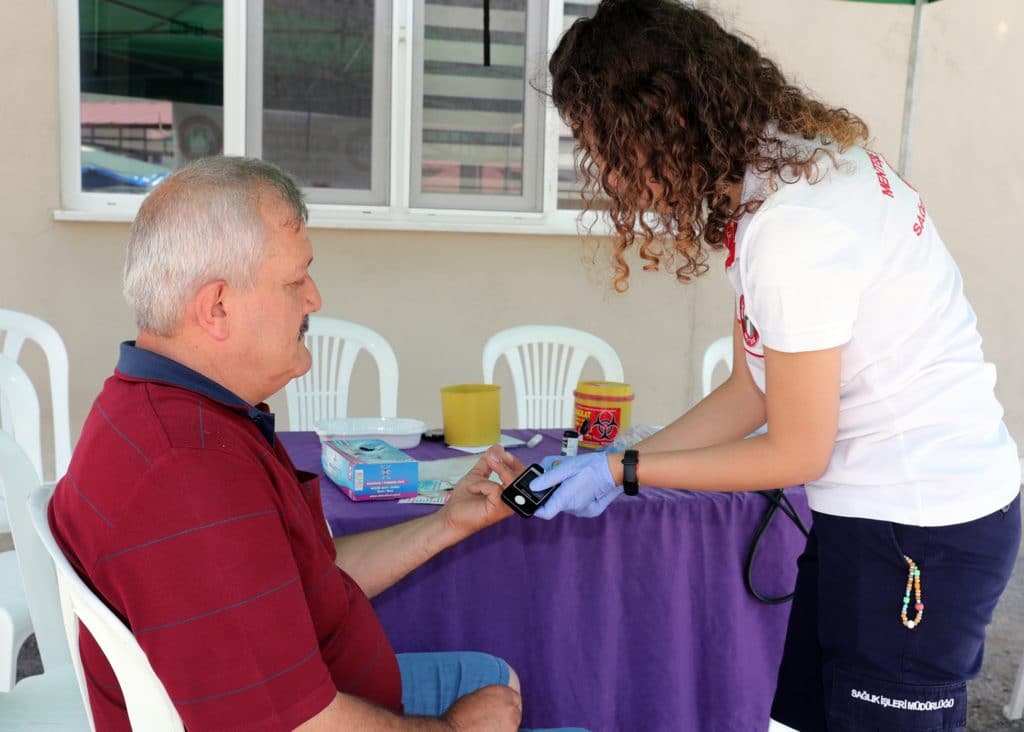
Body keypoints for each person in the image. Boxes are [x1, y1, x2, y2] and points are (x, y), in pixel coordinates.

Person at [529, 2, 1022, 730]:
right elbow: (750, 391)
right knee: (795, 714)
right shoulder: (776, 183)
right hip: (864, 513)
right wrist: (621, 454)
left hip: (919, 523)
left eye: (601, 143)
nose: (601, 171)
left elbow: (796, 449)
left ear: (657, 122)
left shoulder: (795, 227)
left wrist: (622, 474)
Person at [48, 156, 543, 731]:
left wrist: (447, 524)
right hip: (322, 709)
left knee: (494, 678)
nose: (314, 299)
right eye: (294, 282)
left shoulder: (186, 409)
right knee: (503, 697)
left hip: (331, 680)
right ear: (217, 307)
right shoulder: (189, 467)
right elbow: (294, 726)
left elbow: (307, 576)